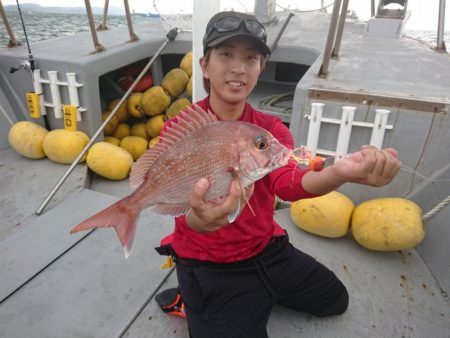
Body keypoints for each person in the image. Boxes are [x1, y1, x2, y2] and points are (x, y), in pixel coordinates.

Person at [155, 10, 401, 338]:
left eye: (251, 58)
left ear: (261, 68)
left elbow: (288, 181)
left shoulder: (268, 131)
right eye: (226, 54)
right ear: (204, 65)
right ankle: (193, 299)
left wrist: (338, 172)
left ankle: (253, 298)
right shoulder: (180, 130)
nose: (238, 67)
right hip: (207, 259)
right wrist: (198, 223)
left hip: (265, 248)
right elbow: (178, 200)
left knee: (335, 300)